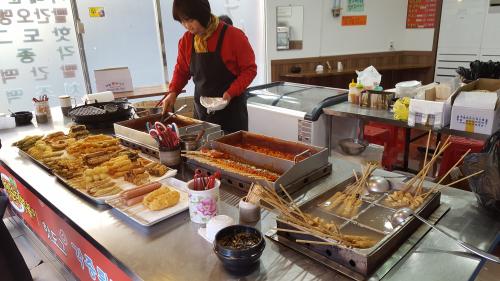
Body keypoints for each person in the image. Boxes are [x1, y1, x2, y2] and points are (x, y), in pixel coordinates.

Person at [162, 0, 256, 133]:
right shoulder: (186, 41)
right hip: (202, 114)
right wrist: (173, 93)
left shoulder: (234, 36)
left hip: (232, 113)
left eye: (189, 20)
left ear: (202, 13)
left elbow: (249, 70)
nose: (186, 26)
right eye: (182, 21)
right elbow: (182, 71)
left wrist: (231, 92)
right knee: (201, 152)